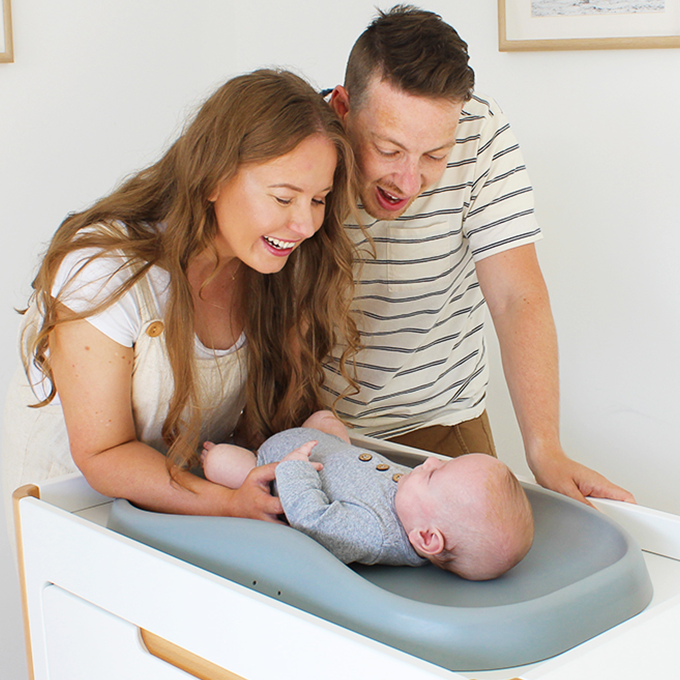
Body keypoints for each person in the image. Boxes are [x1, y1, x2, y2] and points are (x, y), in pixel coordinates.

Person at [2, 69, 362, 527]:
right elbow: (103, 453)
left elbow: (262, 423)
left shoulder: (270, 267)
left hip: (182, 504)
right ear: (212, 179)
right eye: (283, 198)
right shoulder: (104, 270)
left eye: (318, 200)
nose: (305, 225)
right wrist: (228, 502)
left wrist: (318, 430)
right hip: (70, 509)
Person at [321, 5, 634, 506]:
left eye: (435, 156)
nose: (408, 182)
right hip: (315, 422)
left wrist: (545, 449)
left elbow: (514, 297)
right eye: (388, 149)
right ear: (342, 107)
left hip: (443, 419)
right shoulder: (303, 143)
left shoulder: (482, 129)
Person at [202, 412, 534, 580]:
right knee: (326, 418)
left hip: (273, 468)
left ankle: (217, 457)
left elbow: (312, 520)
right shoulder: (419, 507)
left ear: (427, 538)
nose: (431, 461)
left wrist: (294, 470)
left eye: (435, 474)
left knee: (219, 461)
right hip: (325, 446)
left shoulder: (372, 534)